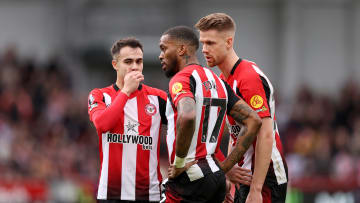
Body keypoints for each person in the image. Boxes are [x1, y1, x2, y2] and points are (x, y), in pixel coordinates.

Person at [158, 25, 262, 203]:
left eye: (164, 48)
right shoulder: (218, 81)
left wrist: (180, 163)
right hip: (216, 177)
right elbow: (253, 120)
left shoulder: (182, 79)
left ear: (182, 49)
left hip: (188, 178)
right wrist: (225, 167)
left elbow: (188, 115)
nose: (161, 55)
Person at [195, 13, 288, 203]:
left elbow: (265, 134)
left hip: (266, 177)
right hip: (245, 174)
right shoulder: (222, 80)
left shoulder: (248, 78)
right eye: (202, 43)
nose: (204, 49)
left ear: (229, 42)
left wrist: (256, 189)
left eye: (210, 43)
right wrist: (228, 173)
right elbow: (236, 134)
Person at [87, 37, 167, 202]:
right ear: (115, 65)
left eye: (139, 61)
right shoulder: (99, 95)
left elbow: (185, 126)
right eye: (128, 61)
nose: (135, 66)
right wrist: (126, 92)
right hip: (111, 194)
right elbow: (102, 124)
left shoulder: (158, 98)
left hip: (149, 195)